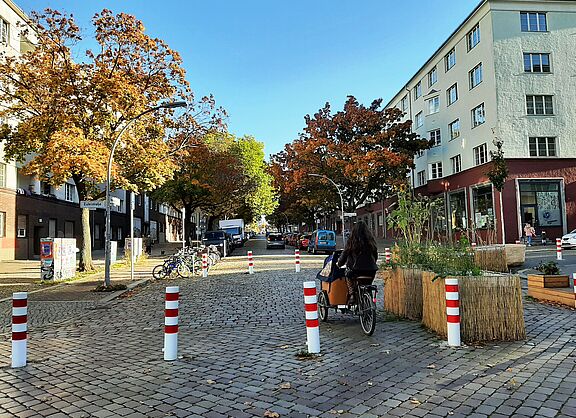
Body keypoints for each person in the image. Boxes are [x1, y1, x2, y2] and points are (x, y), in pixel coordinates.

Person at [336, 222, 379, 304]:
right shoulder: (371, 241)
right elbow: (375, 255)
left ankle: (352, 294)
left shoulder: (352, 241)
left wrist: (339, 264)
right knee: (367, 284)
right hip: (371, 271)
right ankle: (367, 296)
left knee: (348, 276)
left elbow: (344, 254)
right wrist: (372, 264)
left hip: (356, 271)